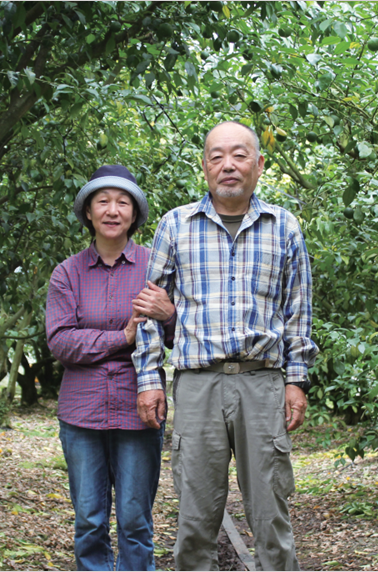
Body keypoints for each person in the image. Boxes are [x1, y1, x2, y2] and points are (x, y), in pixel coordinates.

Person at [133, 121, 319, 571]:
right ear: (204, 166)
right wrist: (148, 379)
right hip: (197, 386)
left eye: (239, 155)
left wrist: (297, 381)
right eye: (216, 156)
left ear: (258, 165)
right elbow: (147, 310)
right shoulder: (175, 225)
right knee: (195, 519)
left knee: (271, 515)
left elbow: (299, 312)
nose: (228, 165)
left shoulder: (285, 227)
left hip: (263, 383)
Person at [46, 164, 176, 571]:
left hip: (138, 409)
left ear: (135, 214)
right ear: (88, 212)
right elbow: (62, 342)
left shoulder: (155, 267)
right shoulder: (67, 273)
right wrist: (122, 338)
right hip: (81, 414)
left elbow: (176, 337)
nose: (112, 210)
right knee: (89, 520)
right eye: (103, 201)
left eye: (123, 202)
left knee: (136, 522)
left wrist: (169, 315)